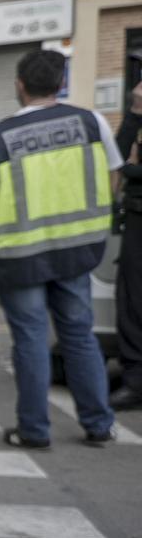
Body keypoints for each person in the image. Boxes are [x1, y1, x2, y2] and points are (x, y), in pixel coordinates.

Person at [0, 48, 118, 448]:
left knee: (30, 341)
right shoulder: (91, 123)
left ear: (19, 85)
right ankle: (98, 424)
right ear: (61, 84)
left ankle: (35, 431)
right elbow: (112, 178)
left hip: (20, 255)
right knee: (79, 335)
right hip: (77, 249)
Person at [111, 82, 142, 410]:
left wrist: (133, 169)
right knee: (131, 300)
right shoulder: (140, 117)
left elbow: (126, 165)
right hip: (136, 217)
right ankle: (135, 381)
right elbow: (116, 156)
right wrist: (135, 114)